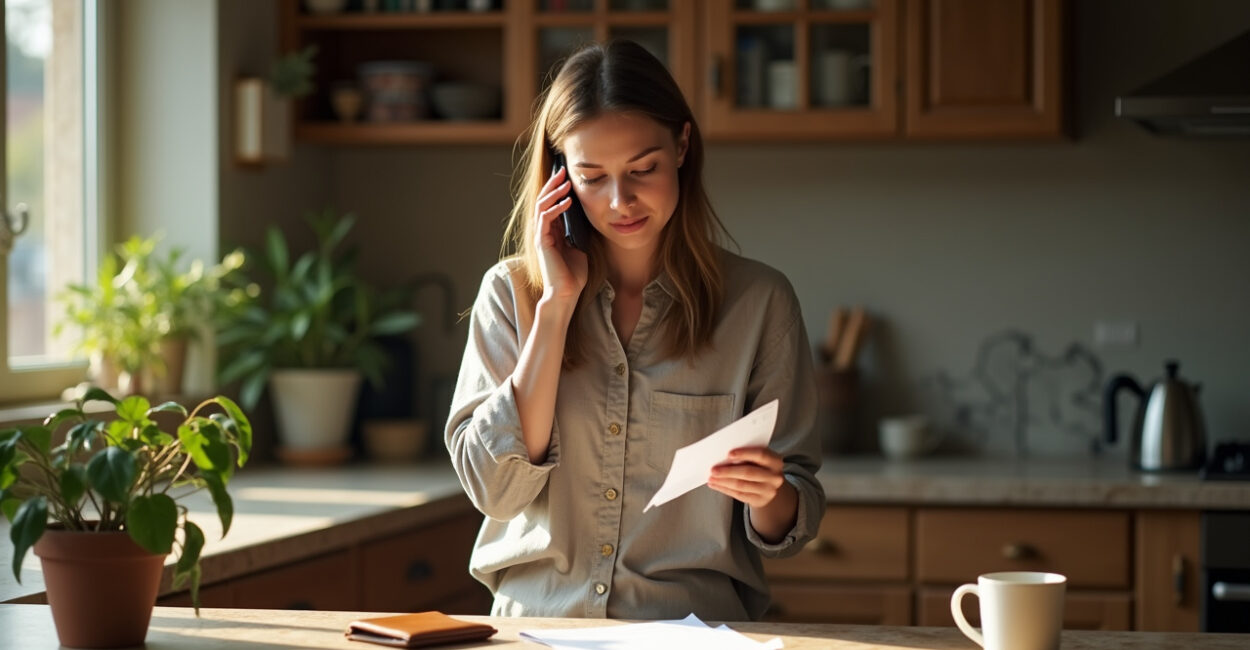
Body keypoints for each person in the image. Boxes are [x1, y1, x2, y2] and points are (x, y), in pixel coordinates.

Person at [445, 39, 823, 621]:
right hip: (537, 629)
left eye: (642, 169)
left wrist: (771, 495)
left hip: (693, 630)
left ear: (682, 146)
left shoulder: (760, 303)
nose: (621, 201)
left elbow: (792, 519)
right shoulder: (510, 294)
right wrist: (556, 307)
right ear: (560, 177)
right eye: (592, 176)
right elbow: (494, 492)